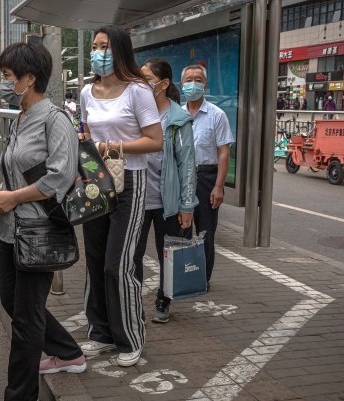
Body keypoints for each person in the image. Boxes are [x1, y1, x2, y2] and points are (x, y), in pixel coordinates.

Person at [0, 42, 85, 401]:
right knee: (14, 302)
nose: (3, 81)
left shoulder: (56, 120)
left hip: (39, 231)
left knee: (25, 322)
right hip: (11, 230)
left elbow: (59, 177)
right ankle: (69, 351)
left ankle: (19, 395)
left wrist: (13, 198)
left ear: (29, 79)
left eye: (8, 76)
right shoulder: (21, 118)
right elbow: (17, 171)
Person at [78, 24, 163, 367]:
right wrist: (85, 145)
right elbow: (85, 131)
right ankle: (100, 333)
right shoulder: (87, 92)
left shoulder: (137, 90)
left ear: (120, 51)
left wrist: (114, 146)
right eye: (95, 46)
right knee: (96, 260)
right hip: (95, 178)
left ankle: (130, 337)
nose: (98, 52)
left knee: (118, 265)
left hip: (130, 178)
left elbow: (155, 140)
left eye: (104, 46)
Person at [135, 58, 197, 323]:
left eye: (146, 78)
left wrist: (186, 206)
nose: (141, 83)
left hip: (166, 201)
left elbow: (187, 166)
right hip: (136, 199)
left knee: (168, 255)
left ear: (163, 84)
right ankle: (132, 299)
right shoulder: (134, 112)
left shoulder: (177, 118)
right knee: (131, 256)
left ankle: (164, 299)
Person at [180, 64, 234, 287]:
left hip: (206, 179)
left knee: (206, 232)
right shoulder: (177, 114)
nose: (193, 84)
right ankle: (181, 275)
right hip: (183, 179)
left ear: (205, 84)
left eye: (198, 79)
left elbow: (223, 153)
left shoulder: (217, 115)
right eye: (188, 80)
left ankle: (203, 278)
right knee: (182, 230)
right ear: (181, 84)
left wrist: (219, 186)